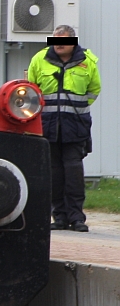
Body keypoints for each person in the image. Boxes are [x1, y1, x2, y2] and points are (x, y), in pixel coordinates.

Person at [26, 25, 101, 232]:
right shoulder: (39, 59)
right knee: (55, 174)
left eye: (64, 40)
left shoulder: (88, 61)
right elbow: (31, 90)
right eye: (56, 40)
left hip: (75, 126)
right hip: (48, 127)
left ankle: (77, 218)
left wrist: (75, 108)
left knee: (74, 173)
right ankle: (59, 217)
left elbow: (94, 90)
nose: (59, 44)